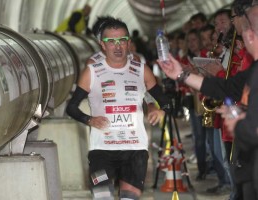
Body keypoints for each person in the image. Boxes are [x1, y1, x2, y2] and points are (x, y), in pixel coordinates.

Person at [157, 2, 258, 199]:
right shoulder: (253, 71)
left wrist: (238, 124)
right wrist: (181, 75)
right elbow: (227, 87)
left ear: (250, 36)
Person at [66, 18, 169, 199]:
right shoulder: (92, 68)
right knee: (102, 196)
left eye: (122, 40)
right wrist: (90, 120)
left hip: (135, 150)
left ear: (129, 42)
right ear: (102, 44)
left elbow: (164, 100)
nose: (118, 46)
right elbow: (71, 107)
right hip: (102, 150)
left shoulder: (140, 67)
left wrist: (156, 108)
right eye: (111, 41)